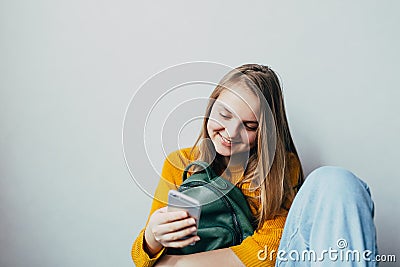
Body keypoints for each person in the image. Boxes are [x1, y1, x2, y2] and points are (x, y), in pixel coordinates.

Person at [131, 64, 377, 266]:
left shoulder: (281, 168)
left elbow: (271, 250)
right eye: (224, 115)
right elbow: (143, 260)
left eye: (249, 126)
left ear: (265, 132)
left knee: (335, 180)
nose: (231, 132)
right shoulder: (180, 164)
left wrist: (176, 265)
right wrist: (152, 236)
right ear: (210, 107)